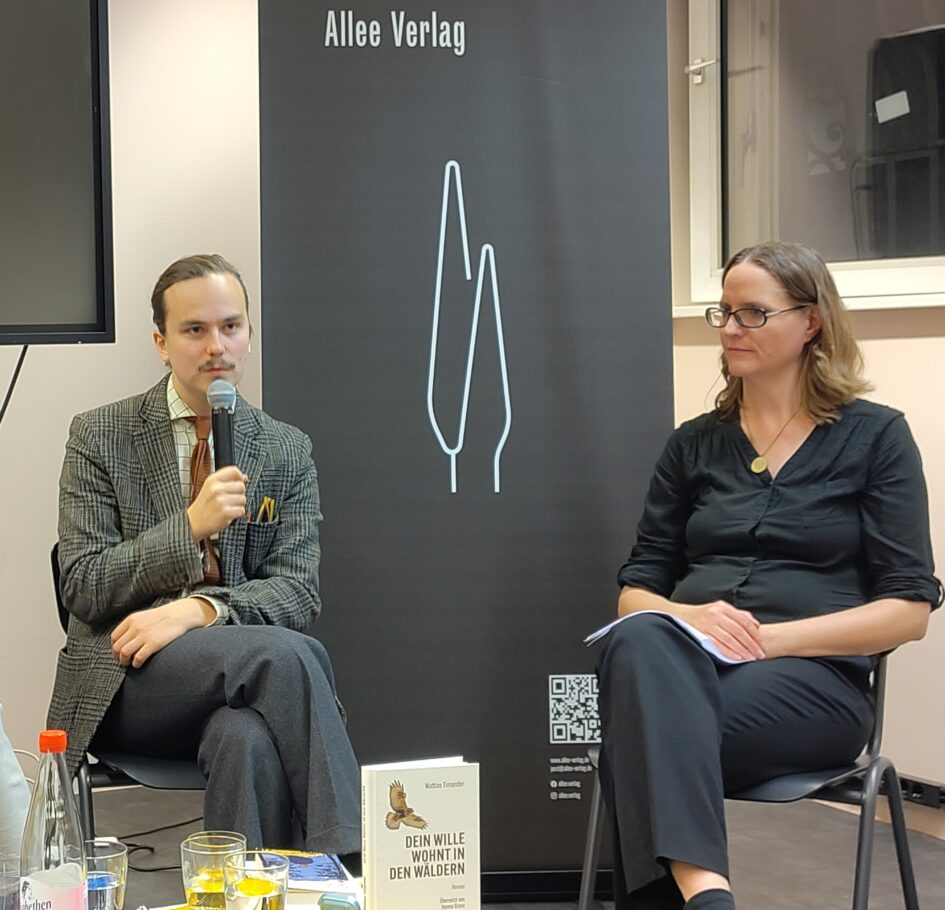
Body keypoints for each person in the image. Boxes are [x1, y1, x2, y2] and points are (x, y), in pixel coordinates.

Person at [596, 241, 941, 910]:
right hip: (682, 666)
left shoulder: (875, 438)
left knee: (639, 734)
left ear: (810, 321)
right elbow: (634, 592)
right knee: (638, 639)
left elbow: (909, 611)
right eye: (723, 312)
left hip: (812, 688)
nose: (730, 328)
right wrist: (691, 618)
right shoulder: (693, 444)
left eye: (752, 313)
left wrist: (766, 641)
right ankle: (709, 894)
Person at [48, 254, 360, 854]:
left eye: (231, 326)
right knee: (287, 655)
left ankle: (243, 890)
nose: (217, 346)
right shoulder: (100, 435)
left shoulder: (286, 449)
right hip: (127, 680)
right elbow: (83, 583)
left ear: (249, 334)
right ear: (162, 343)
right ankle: (348, 861)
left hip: (240, 684)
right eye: (195, 329)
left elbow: (297, 592)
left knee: (245, 738)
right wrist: (190, 526)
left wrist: (198, 611)